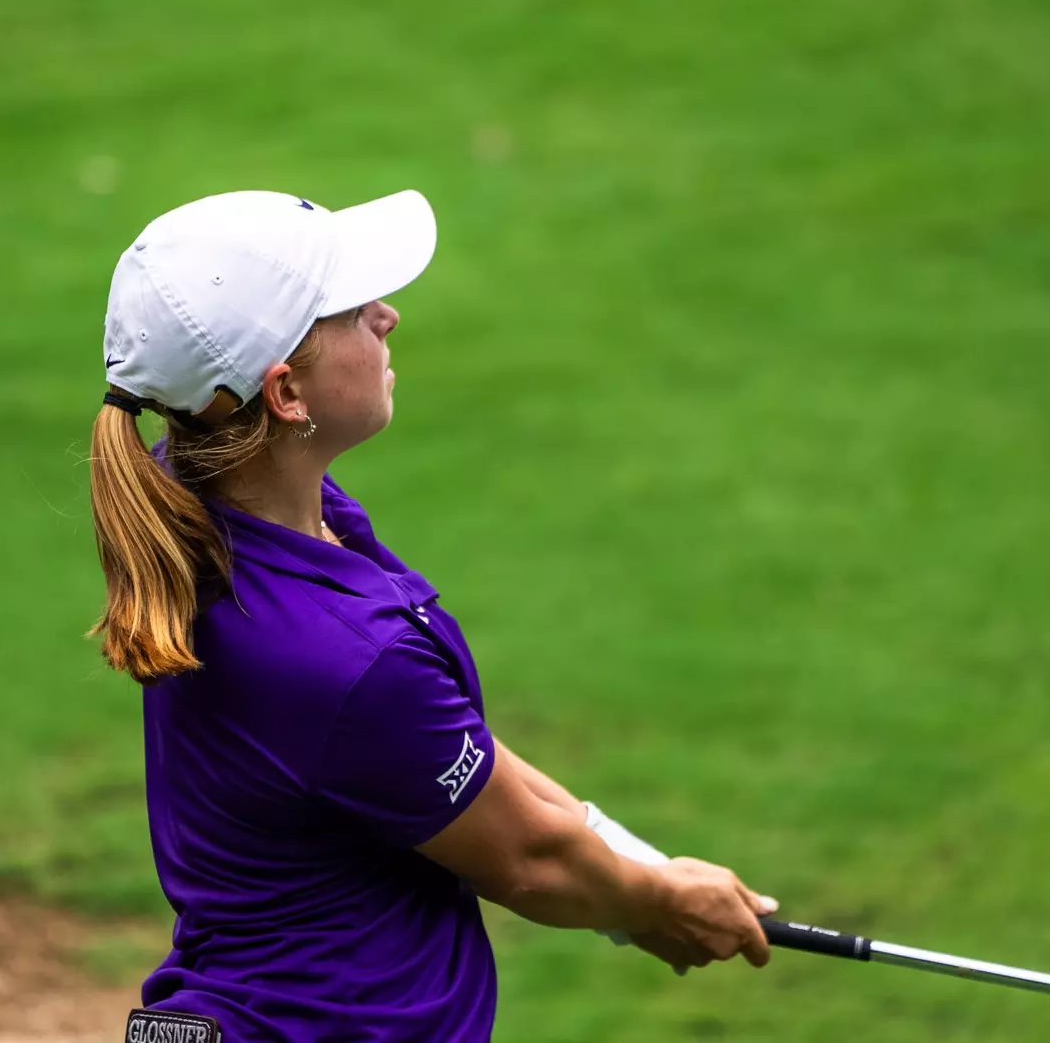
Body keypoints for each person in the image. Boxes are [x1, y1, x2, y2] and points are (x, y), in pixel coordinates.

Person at [88, 188, 777, 1043]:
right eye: (348, 311)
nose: (388, 315)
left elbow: (461, 760)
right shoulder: (339, 660)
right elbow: (528, 862)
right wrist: (659, 899)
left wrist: (637, 873)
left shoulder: (228, 502)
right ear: (286, 394)